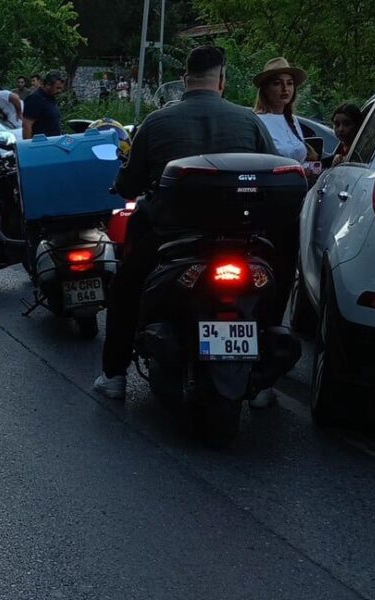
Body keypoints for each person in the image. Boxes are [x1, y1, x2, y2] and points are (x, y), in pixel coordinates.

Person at [92, 46, 277, 401]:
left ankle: (114, 374)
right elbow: (273, 173)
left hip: (168, 240)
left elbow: (129, 185)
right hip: (240, 238)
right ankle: (263, 384)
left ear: (184, 79)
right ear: (222, 79)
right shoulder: (248, 121)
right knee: (271, 286)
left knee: (126, 289)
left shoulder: (156, 122)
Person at [253, 57, 319, 163]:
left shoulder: (292, 119)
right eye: (277, 83)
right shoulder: (257, 121)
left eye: (289, 83)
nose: (285, 88)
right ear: (265, 89)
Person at [22, 71, 67, 139]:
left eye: (61, 89)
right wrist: (28, 144)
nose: (59, 91)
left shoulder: (51, 97)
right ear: (48, 85)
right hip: (40, 143)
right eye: (57, 88)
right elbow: (27, 125)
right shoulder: (35, 99)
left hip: (53, 141)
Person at [323, 103, 363, 167]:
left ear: (357, 125)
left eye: (347, 124)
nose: (340, 129)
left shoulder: (362, 151)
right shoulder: (341, 148)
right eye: (337, 124)